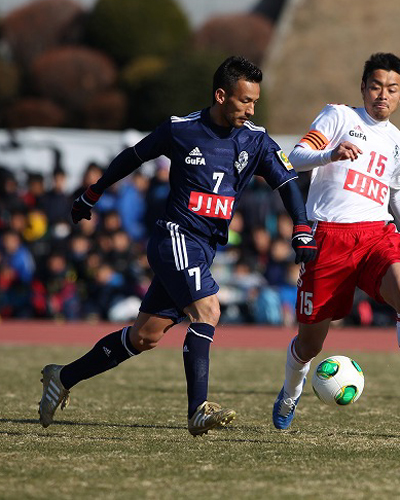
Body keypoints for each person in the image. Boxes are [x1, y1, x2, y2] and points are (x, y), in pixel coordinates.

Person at [38, 55, 317, 436]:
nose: (251, 109)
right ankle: (197, 411)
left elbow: (286, 183)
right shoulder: (180, 129)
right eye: (244, 100)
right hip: (175, 236)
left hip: (205, 248)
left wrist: (301, 226)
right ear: (221, 96)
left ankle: (62, 377)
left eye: (254, 101)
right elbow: (133, 157)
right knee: (208, 312)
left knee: (144, 336)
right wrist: (92, 193)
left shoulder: (256, 140)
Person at [272, 52, 400, 429]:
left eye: (392, 89)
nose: (383, 95)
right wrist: (330, 153)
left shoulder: (396, 140)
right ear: (363, 87)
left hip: (377, 233)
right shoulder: (340, 116)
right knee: (310, 344)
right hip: (328, 237)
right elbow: (295, 157)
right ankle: (290, 393)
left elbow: (394, 195)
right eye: (376, 86)